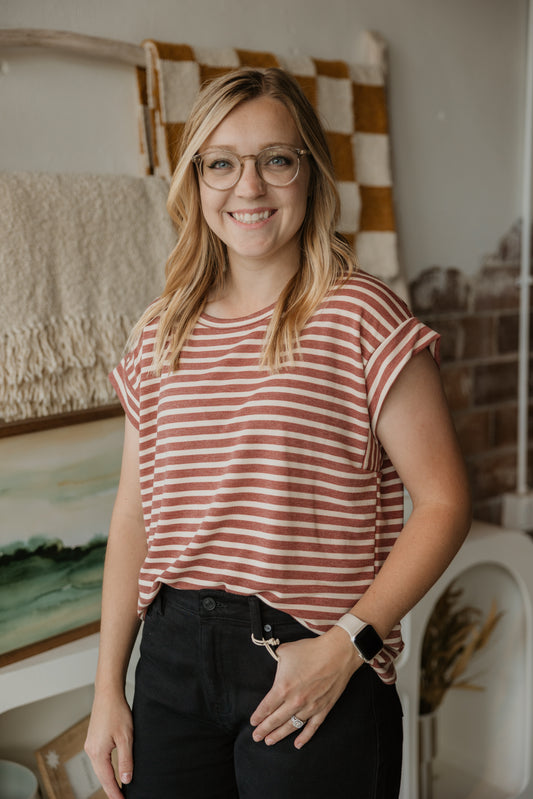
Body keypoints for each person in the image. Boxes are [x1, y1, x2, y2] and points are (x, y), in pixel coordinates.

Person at [85, 67, 471, 799]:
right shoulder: (159, 330)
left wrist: (345, 646)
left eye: (276, 159)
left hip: (309, 659)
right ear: (195, 181)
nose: (249, 187)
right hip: (169, 661)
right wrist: (108, 688)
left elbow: (445, 503)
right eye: (221, 162)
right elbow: (134, 516)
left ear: (310, 173)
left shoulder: (360, 314)